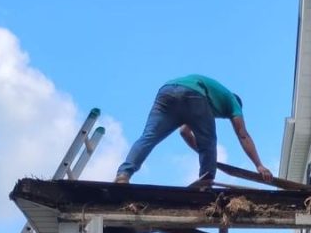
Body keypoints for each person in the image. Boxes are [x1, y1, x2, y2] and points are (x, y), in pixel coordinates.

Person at [115, 74, 273, 185]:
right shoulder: (233, 101)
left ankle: (123, 174)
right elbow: (242, 135)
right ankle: (206, 182)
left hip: (166, 92)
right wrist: (259, 165)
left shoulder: (213, 96)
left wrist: (204, 154)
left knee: (148, 137)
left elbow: (184, 132)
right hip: (194, 94)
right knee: (209, 141)